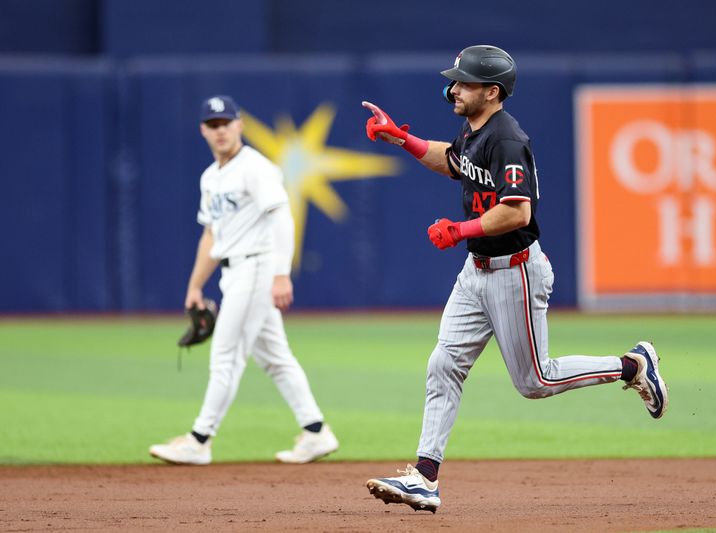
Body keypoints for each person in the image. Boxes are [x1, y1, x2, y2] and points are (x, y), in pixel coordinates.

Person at [361, 45, 668, 513]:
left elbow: (517, 210)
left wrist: (459, 229)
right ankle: (424, 477)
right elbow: (453, 161)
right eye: (456, 80)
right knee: (444, 364)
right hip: (475, 272)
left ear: (492, 91)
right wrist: (401, 139)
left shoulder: (506, 138)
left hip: (515, 271)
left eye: (464, 82)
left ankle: (633, 366)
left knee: (535, 381)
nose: (455, 88)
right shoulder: (475, 129)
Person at [149, 95, 338, 465]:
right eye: (213, 125)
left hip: (257, 267)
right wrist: (194, 286)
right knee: (276, 359)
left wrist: (281, 272)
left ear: (240, 126)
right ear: (203, 130)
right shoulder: (210, 177)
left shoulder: (255, 167)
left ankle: (199, 440)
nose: (221, 131)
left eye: (226, 123)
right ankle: (316, 432)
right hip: (232, 271)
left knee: (226, 357)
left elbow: (281, 217)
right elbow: (210, 237)